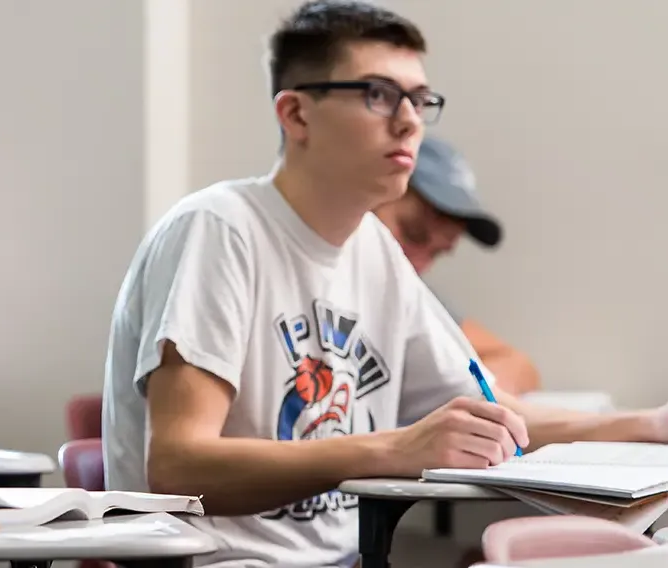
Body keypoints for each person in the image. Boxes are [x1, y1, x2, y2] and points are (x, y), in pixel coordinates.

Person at [101, 2, 668, 566]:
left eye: (420, 99)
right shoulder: (219, 229)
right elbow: (178, 467)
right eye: (378, 94)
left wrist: (643, 425)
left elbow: (489, 411)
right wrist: (394, 447)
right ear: (296, 115)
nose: (409, 120)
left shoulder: (374, 249)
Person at [373, 136, 540, 395]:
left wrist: (486, 394)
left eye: (436, 253)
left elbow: (517, 363)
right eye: (412, 234)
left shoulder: (415, 298)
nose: (416, 265)